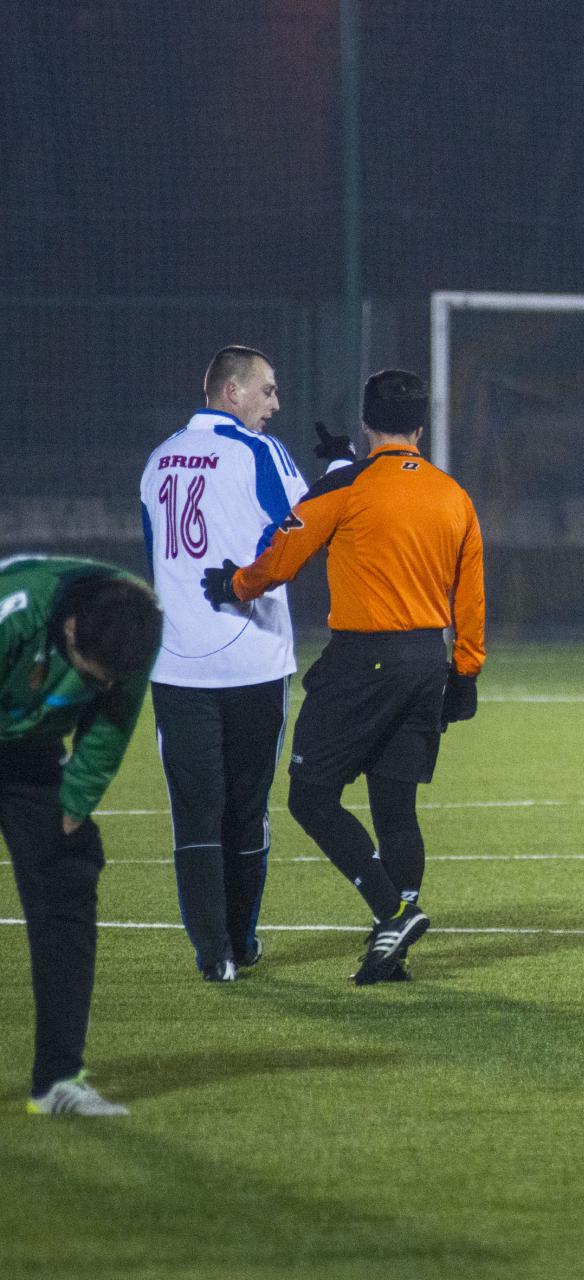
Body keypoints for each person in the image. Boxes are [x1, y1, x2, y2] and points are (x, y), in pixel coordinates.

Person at [201, 368, 487, 986]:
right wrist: (464, 672)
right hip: (426, 661)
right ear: (420, 427)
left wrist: (234, 584)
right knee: (396, 808)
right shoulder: (452, 494)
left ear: (365, 422)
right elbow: (471, 595)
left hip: (364, 660)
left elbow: (284, 557)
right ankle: (390, 954)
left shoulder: (347, 486)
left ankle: (393, 913)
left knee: (310, 796)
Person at [138, 346, 313, 981]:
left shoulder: (159, 458)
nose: (275, 404)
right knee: (245, 809)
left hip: (177, 666)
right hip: (252, 660)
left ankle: (213, 954)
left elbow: (158, 553)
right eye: (268, 390)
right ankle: (240, 939)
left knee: (194, 812)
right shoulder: (258, 451)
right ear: (233, 392)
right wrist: (344, 468)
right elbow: (306, 524)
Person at [1, 557, 162, 1114]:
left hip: (30, 753)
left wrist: (74, 806)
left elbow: (112, 724)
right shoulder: (16, 613)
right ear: (68, 630)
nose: (104, 686)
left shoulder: (134, 627)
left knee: (68, 882)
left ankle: (58, 1081)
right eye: (93, 678)